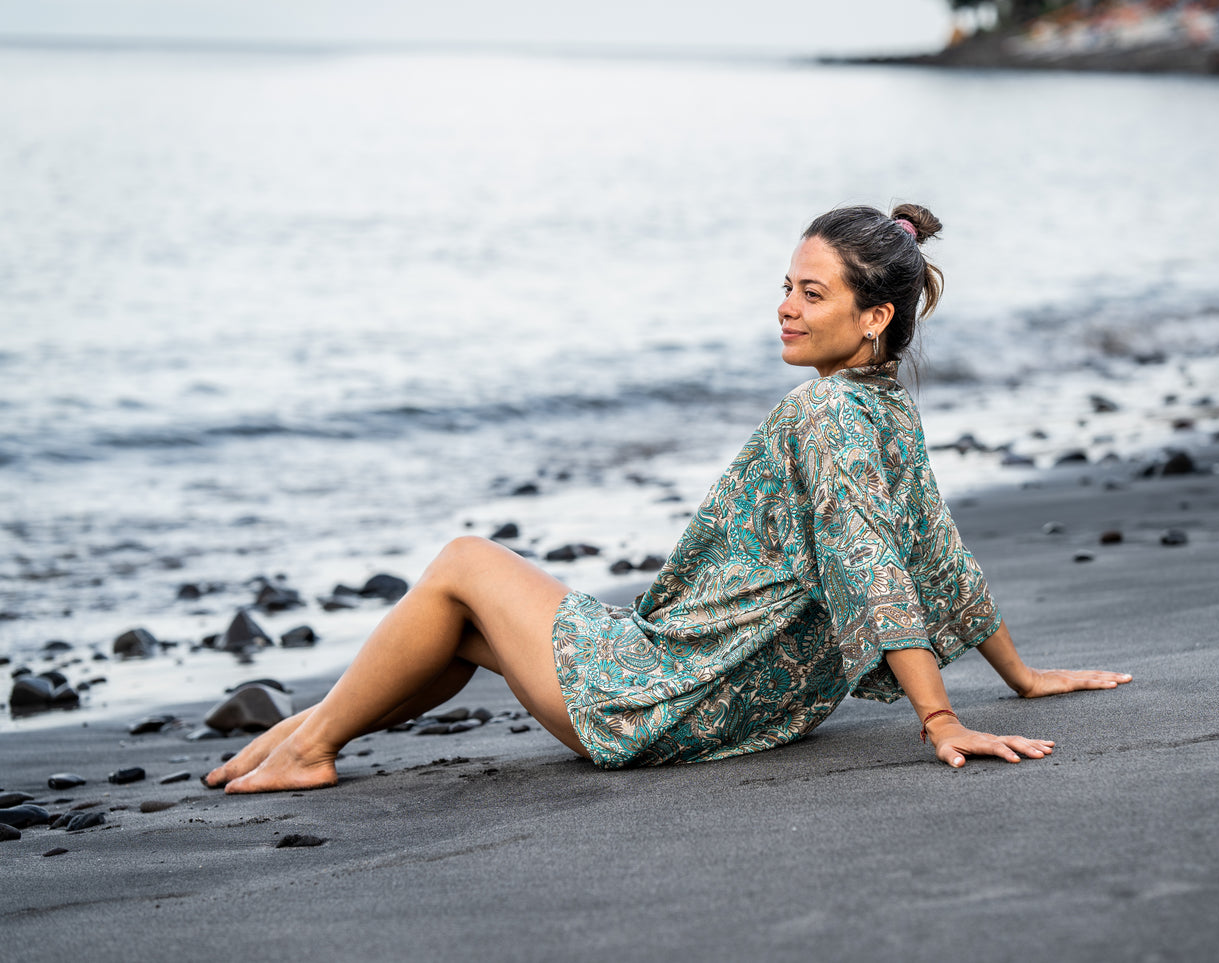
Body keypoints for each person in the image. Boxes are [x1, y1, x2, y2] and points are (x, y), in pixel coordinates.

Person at [206, 203, 1130, 794]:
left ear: (874, 314)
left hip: (664, 696)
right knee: (459, 625)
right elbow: (939, 550)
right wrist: (1020, 674)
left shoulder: (827, 415)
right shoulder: (886, 409)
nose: (785, 308)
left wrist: (939, 719)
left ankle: (307, 743)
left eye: (811, 293)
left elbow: (878, 561)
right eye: (785, 288)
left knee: (461, 564)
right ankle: (302, 734)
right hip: (746, 702)